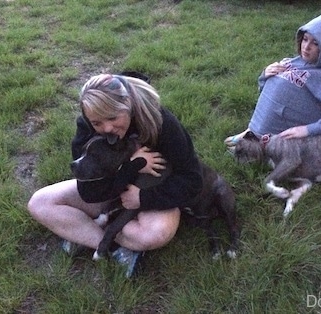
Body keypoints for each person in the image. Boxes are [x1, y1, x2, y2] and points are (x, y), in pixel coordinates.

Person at [28, 72, 203, 278]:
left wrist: (143, 198)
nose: (107, 128)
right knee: (39, 203)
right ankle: (113, 249)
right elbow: (89, 192)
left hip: (153, 192)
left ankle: (83, 230)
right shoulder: (86, 126)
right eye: (97, 123)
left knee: (156, 233)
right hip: (110, 192)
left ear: (127, 105)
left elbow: (192, 180)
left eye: (113, 117)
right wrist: (131, 167)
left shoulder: (161, 122)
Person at [224, 12, 321, 148]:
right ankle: (252, 133)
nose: (306, 47)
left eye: (315, 43)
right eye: (305, 39)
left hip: (288, 142)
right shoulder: (303, 61)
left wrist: (307, 130)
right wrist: (265, 75)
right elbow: (267, 90)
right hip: (261, 129)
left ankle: (257, 142)